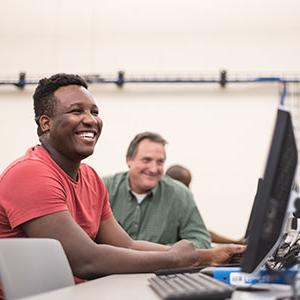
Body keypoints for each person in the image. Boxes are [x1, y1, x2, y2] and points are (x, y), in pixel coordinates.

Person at [0, 74, 244, 289]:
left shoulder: (91, 179)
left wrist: (206, 256)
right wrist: (174, 259)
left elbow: (127, 244)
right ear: (46, 123)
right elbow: (86, 260)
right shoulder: (30, 173)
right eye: (77, 111)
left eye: (94, 112)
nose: (90, 120)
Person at [103, 132, 213, 248]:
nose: (154, 169)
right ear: (129, 160)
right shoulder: (103, 188)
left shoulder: (181, 195)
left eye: (160, 162)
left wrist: (168, 252)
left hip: (162, 266)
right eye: (146, 160)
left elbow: (202, 242)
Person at [166, 164, 245, 244]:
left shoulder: (183, 205)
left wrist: (235, 242)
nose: (189, 190)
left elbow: (201, 233)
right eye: (185, 185)